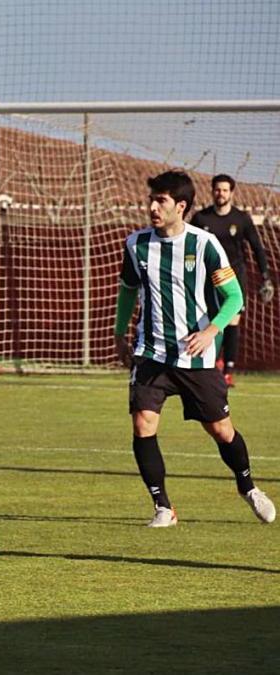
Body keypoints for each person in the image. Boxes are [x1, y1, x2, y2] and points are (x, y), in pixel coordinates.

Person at [114, 169, 275, 528]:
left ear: (181, 206)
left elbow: (234, 297)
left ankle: (248, 486)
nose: (153, 207)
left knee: (221, 430)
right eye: (151, 200)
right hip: (151, 353)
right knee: (143, 424)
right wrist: (119, 332)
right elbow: (127, 289)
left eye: (161, 201)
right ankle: (163, 507)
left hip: (195, 356)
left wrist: (212, 331)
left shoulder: (203, 245)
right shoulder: (136, 244)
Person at [189, 173, 275, 387]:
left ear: (232, 193)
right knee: (209, 321)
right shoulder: (201, 219)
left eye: (225, 190)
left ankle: (227, 369)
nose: (221, 193)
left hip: (234, 278)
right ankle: (210, 364)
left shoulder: (241, 219)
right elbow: (189, 246)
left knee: (232, 321)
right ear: (212, 191)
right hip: (207, 279)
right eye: (218, 189)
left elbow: (256, 248)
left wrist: (265, 276)